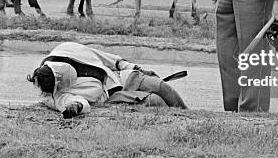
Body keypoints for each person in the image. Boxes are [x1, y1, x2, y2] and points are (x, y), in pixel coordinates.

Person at [27, 42, 188, 118]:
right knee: (155, 100)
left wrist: (133, 67)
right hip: (110, 95)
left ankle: (189, 115)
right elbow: (70, 102)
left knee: (160, 86)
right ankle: (175, 121)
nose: (64, 86)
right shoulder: (53, 95)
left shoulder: (67, 49)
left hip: (118, 77)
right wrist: (75, 108)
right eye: (61, 86)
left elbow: (104, 57)